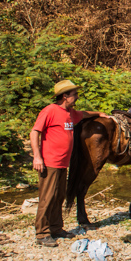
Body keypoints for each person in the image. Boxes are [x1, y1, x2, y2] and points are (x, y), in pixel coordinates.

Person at [30, 79, 107, 247]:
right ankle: (42, 233)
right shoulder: (50, 110)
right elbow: (35, 132)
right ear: (65, 96)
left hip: (63, 163)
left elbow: (85, 114)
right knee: (47, 197)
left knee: (59, 196)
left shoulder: (71, 113)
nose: (77, 97)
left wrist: (100, 114)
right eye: (74, 95)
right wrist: (37, 157)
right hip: (49, 162)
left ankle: (56, 228)